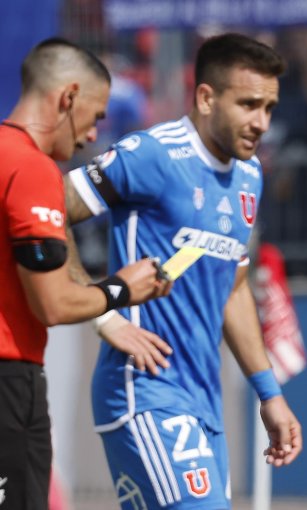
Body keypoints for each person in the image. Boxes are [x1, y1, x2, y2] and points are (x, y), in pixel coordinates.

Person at [62, 33, 302, 508]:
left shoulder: (249, 174)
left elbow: (233, 289)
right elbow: (44, 213)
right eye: (249, 104)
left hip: (203, 401)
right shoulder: (154, 154)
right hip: (144, 390)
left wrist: (268, 393)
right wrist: (103, 312)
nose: (262, 122)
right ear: (207, 97)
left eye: (269, 107)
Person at [0, 38, 170, 510]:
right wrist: (121, 290)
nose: (94, 135)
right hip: (8, 384)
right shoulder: (32, 168)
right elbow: (52, 303)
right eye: (95, 117)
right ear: (68, 98)